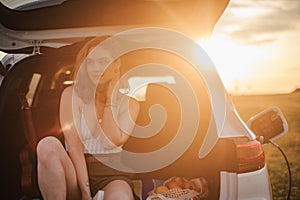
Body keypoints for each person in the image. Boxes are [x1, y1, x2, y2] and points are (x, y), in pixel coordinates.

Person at [36, 36, 140, 200]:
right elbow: (74, 145)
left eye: (103, 61)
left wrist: (110, 98)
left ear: (116, 64)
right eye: (90, 62)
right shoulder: (71, 95)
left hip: (110, 174)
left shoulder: (130, 104)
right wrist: (84, 191)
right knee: (47, 144)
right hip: (75, 171)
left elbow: (109, 142)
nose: (95, 68)